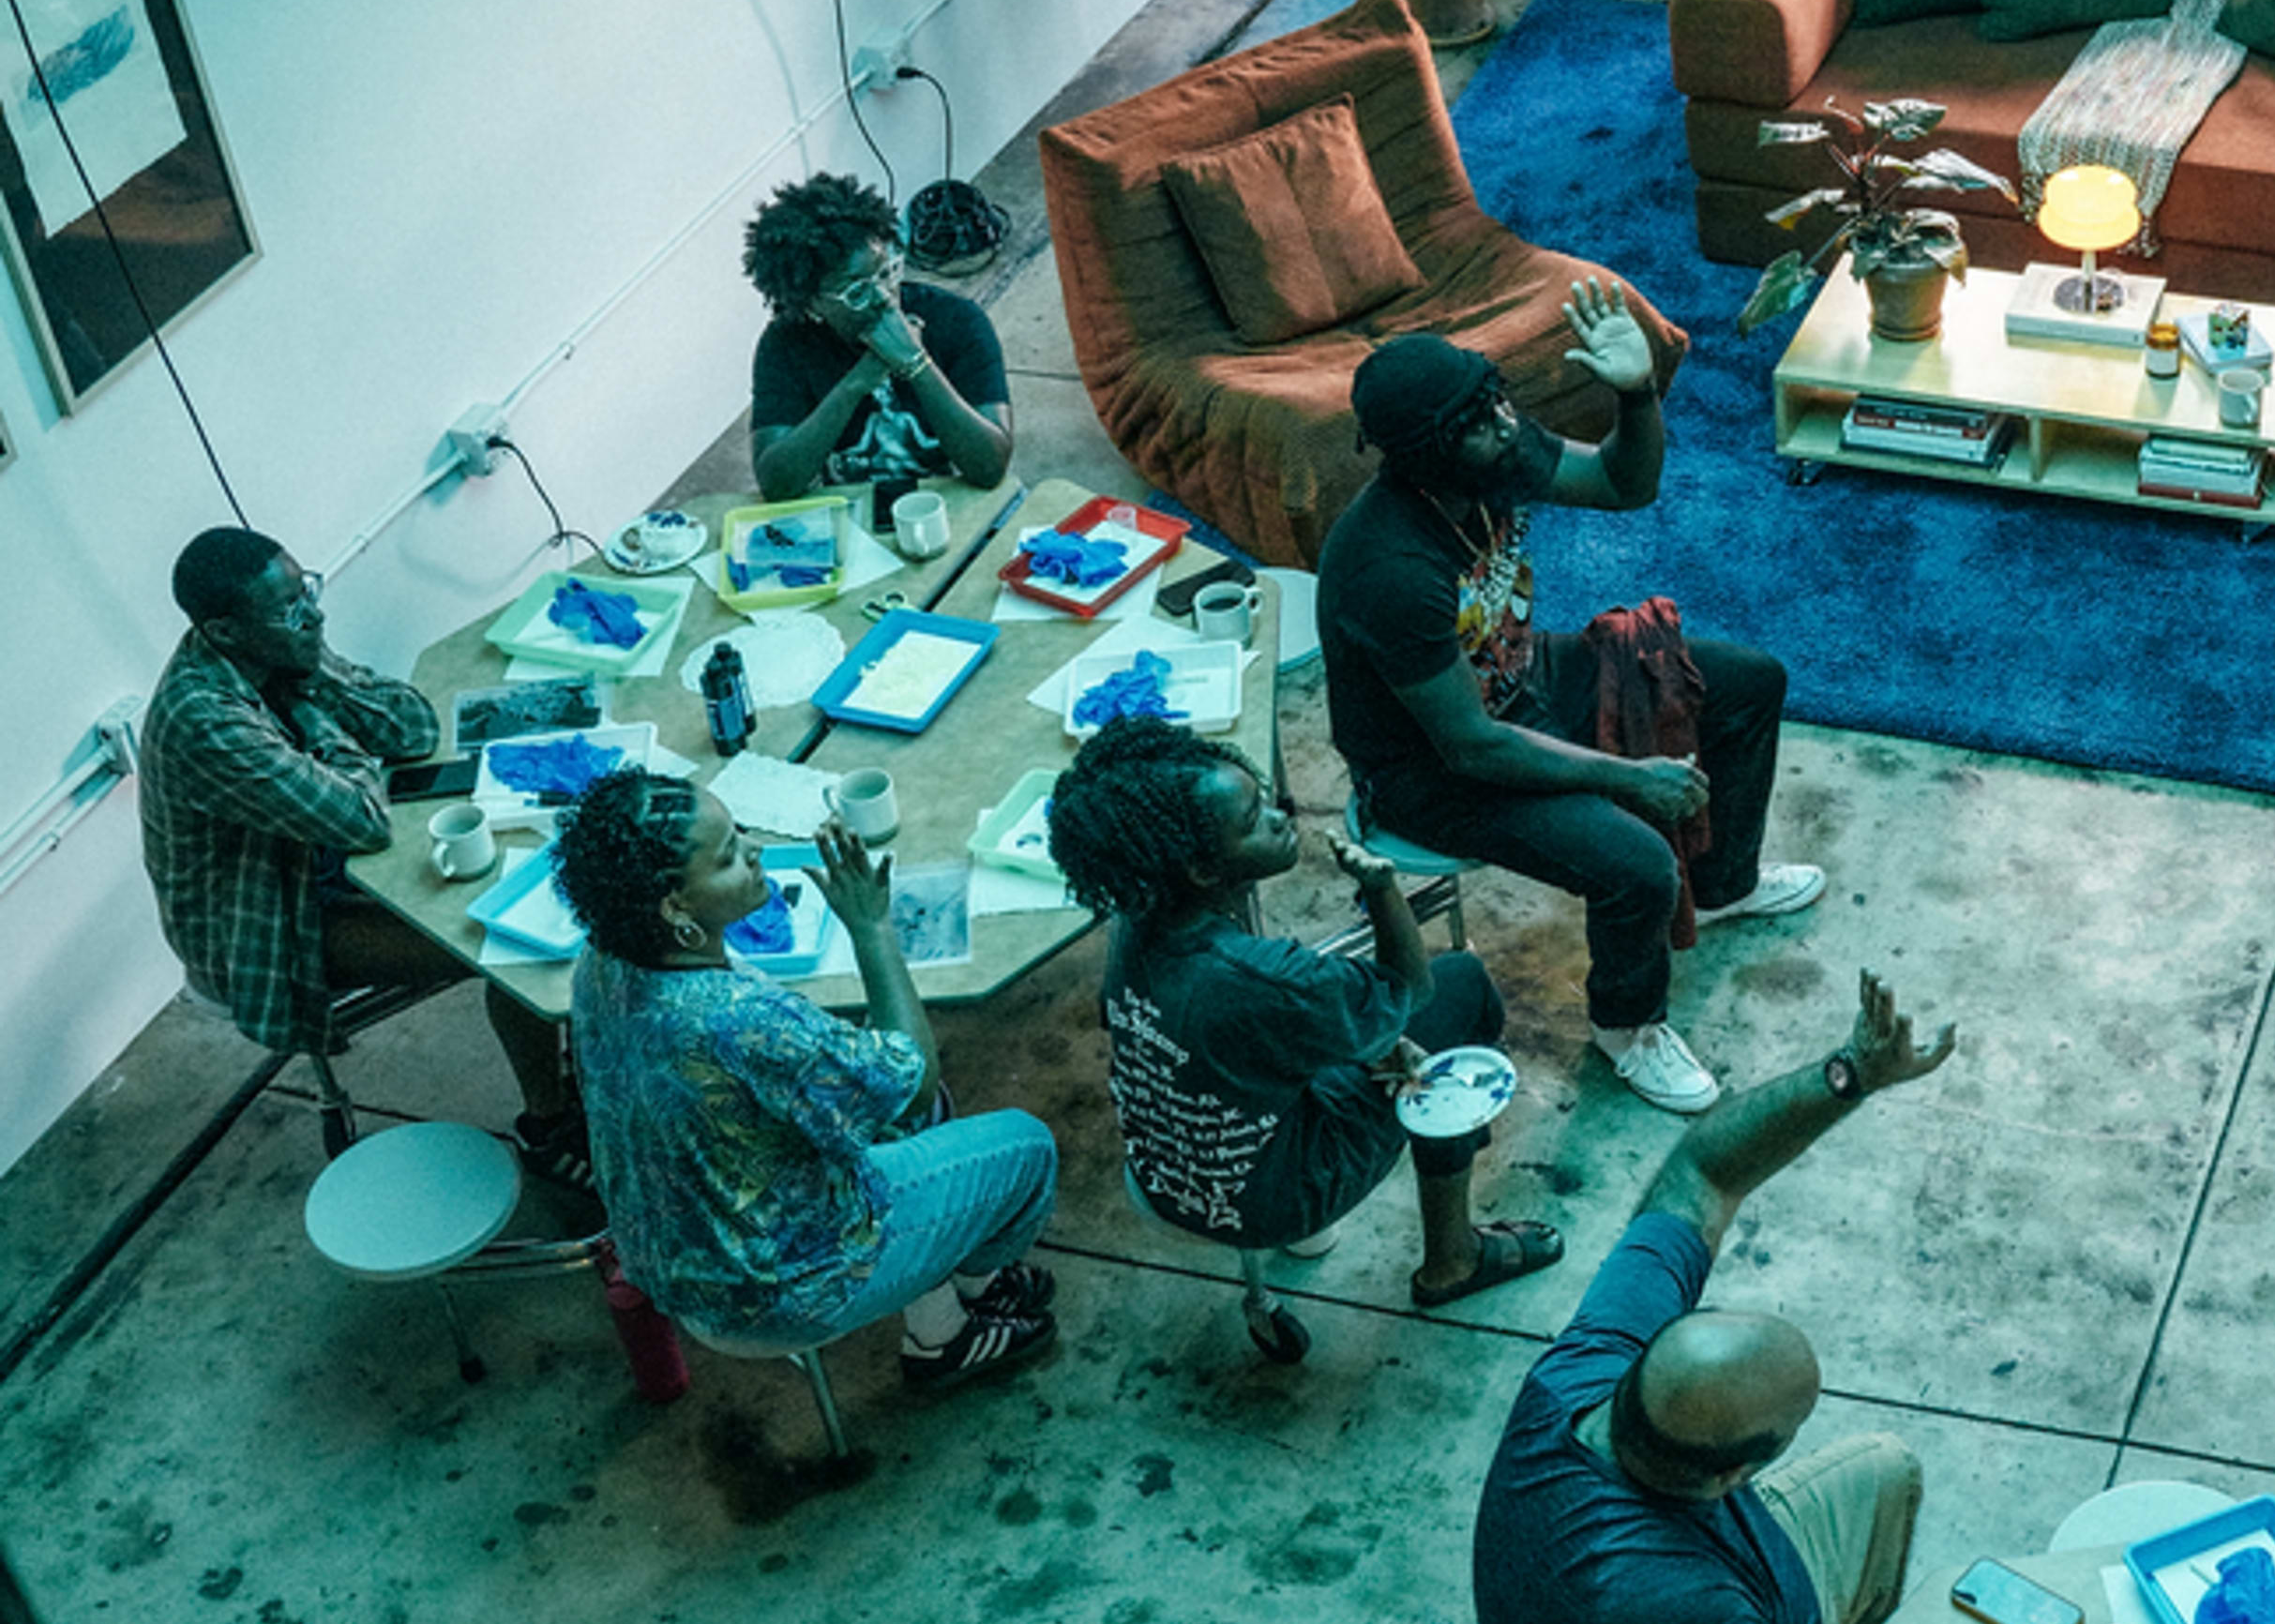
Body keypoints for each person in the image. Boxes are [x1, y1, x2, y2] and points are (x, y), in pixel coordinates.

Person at [1473, 970, 1956, 1624]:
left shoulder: (1586, 1372)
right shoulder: (1686, 1613)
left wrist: (1850, 1071)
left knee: (1884, 1467)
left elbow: (1703, 1170)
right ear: (1737, 1475)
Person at [1313, 307, 1818, 1114]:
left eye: (1496, 401)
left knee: (1749, 681)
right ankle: (1628, 1027)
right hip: (1432, 771)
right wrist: (1630, 777)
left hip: (1522, 676)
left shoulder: (1492, 453)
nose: (1506, 426)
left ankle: (1726, 884)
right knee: (1637, 865)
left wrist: (1636, 395)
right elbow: (1473, 746)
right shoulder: (1389, 567)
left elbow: (1625, 483)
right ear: (1425, 455)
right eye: (1478, 422)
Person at [1041, 717, 1564, 1353]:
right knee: (1462, 990)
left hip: (1167, 1176)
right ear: (1205, 869)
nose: (1281, 815)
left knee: (1362, 1037)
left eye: (1263, 798)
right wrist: (1380, 888)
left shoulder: (1136, 920)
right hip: (1274, 1196)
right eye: (1253, 818)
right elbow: (1410, 989)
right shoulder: (1264, 980)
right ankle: (1453, 1258)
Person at [552, 774, 1060, 1387]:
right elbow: (914, 1076)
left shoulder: (602, 963)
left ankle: (946, 1301)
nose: (755, 851)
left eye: (740, 831)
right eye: (729, 857)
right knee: (1026, 1147)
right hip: (777, 1294)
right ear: (675, 906)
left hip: (669, 1255)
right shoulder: (738, 1018)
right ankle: (953, 1328)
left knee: (913, 1117)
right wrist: (873, 929)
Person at [136, 524, 589, 1188]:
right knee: (510, 944)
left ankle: (578, 1072)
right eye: (291, 609)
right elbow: (363, 817)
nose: (313, 613)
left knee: (535, 879)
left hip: (312, 858)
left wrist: (313, 666)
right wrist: (327, 727)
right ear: (225, 632)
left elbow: (412, 727)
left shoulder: (278, 646)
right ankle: (547, 1126)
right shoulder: (202, 718)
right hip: (261, 922)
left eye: (307, 591)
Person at [744, 171, 1014, 508]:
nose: (885, 297)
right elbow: (777, 484)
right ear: (811, 302)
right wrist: (857, 382)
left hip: (950, 505)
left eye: (887, 272)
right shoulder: (785, 345)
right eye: (857, 291)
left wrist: (917, 364)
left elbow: (990, 468)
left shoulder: (957, 320)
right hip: (851, 515)